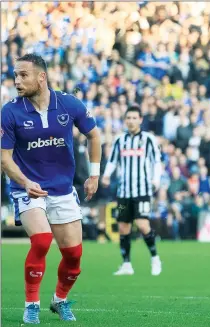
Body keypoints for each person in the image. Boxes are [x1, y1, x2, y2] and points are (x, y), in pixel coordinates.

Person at [1, 53, 101, 323]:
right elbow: (4, 158)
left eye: (23, 75)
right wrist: (24, 182)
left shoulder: (69, 104)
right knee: (42, 240)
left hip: (62, 189)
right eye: (15, 75)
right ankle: (31, 304)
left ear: (41, 77)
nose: (17, 81)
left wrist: (94, 175)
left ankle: (60, 300)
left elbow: (94, 134)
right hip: (28, 188)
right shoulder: (10, 111)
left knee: (74, 257)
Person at [101, 106, 163, 276]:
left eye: (134, 118)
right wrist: (106, 175)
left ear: (140, 119)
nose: (131, 121)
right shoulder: (120, 140)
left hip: (142, 191)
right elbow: (113, 161)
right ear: (125, 120)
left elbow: (157, 162)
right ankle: (127, 264)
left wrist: (156, 179)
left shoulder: (149, 139)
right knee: (123, 227)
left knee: (143, 225)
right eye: (128, 118)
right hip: (123, 193)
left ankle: (155, 257)